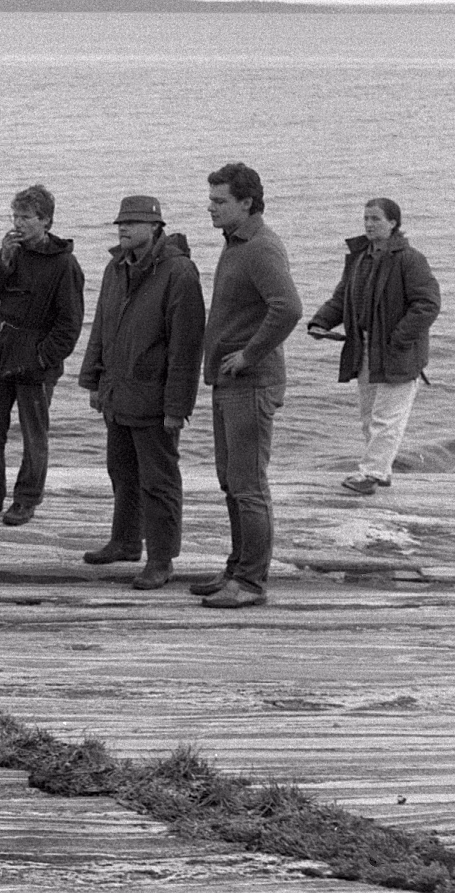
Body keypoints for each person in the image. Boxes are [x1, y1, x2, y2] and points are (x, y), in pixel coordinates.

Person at [76, 196, 206, 590]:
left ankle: (161, 559)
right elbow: (101, 325)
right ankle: (126, 541)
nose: (123, 228)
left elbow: (186, 347)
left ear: (155, 227)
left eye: (132, 222)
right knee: (121, 470)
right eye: (120, 222)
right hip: (118, 391)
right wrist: (94, 380)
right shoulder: (116, 267)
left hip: (154, 398)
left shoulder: (179, 272)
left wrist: (176, 407)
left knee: (159, 481)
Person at [191, 164, 302, 609]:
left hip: (251, 384)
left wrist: (249, 355)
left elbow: (288, 308)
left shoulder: (260, 247)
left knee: (248, 485)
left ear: (246, 202)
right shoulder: (236, 243)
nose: (211, 207)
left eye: (220, 201)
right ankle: (236, 569)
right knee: (231, 482)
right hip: (228, 382)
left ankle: (251, 582)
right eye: (211, 199)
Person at [0, 184, 84, 526]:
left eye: (26, 217)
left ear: (46, 221)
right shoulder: (12, 253)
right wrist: (3, 259)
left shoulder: (64, 265)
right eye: (15, 216)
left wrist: (42, 358)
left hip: (36, 360)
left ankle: (26, 499)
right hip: (1, 351)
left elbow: (70, 324)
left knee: (33, 435)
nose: (18, 223)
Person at [308, 197, 440, 495]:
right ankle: (382, 470)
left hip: (398, 352)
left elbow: (428, 305)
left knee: (386, 418)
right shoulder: (360, 258)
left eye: (375, 219)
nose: (368, 224)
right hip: (364, 348)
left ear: (393, 223)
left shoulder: (410, 259)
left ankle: (370, 474)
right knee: (369, 417)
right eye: (366, 218)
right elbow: (342, 298)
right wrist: (321, 322)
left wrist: (399, 339)